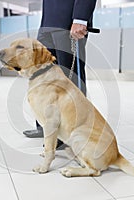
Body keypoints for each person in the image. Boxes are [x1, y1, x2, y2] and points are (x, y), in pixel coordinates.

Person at [23, 0, 97, 144]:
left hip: (68, 22)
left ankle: (73, 134)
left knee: (69, 80)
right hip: (47, 23)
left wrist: (80, 18)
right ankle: (47, 128)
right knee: (44, 78)